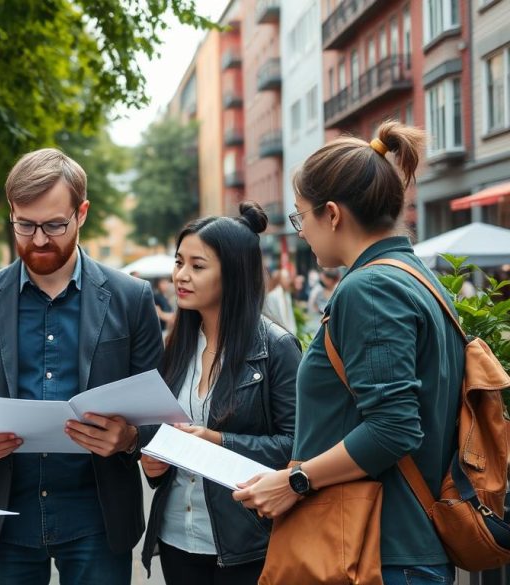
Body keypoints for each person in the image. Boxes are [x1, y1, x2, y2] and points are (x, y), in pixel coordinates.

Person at [234, 122, 463, 585]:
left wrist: (295, 481)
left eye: (301, 217)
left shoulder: (371, 288)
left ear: (333, 214)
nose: (301, 232)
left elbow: (394, 427)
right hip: (394, 545)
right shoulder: (417, 277)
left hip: (375, 550)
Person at [0, 148, 163, 585]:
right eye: (25, 225)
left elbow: (161, 412)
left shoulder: (132, 298)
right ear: (10, 211)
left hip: (99, 517)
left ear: (82, 213)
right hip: (2, 518)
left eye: (54, 225)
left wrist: (130, 437)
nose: (37, 240)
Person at [139, 203, 301, 584]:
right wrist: (154, 464)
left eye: (197, 266)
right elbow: (163, 430)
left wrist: (216, 441)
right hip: (176, 536)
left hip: (247, 541)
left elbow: (298, 447)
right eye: (179, 262)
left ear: (234, 274)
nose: (181, 275)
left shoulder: (276, 348)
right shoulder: (176, 345)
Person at [262, 268, 297, 335]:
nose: (288, 280)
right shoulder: (273, 296)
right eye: (286, 278)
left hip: (289, 333)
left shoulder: (286, 294)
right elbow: (272, 318)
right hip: (278, 334)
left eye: (288, 278)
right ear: (280, 280)